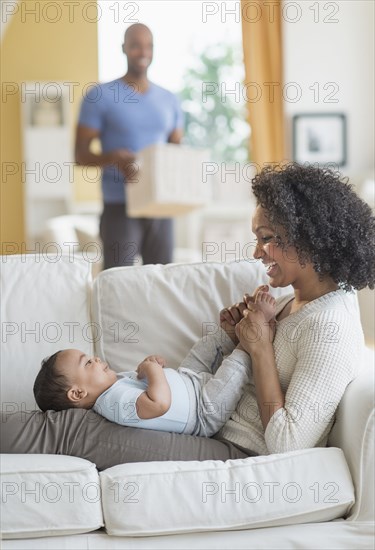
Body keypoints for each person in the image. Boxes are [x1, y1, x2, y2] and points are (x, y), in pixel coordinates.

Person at [2, 163, 374, 470]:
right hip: (204, 423)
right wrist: (236, 337)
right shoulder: (286, 299)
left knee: (73, 433)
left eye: (266, 238)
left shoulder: (331, 328)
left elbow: (287, 443)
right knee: (79, 418)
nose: (257, 252)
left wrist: (257, 348)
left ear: (307, 237)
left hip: (241, 451)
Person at [33, 288, 276, 438]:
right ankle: (252, 335)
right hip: (204, 410)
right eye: (87, 363)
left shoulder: (113, 385)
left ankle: (226, 335)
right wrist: (152, 369)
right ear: (78, 392)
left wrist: (153, 368)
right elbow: (158, 403)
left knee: (199, 354)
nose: (95, 359)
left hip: (189, 381)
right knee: (234, 367)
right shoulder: (112, 403)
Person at [75, 23, 183, 269]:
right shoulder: (99, 96)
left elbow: (176, 150)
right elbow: (80, 155)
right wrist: (112, 158)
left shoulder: (169, 100)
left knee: (163, 282)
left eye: (148, 46)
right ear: (123, 48)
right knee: (119, 281)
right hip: (119, 205)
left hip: (160, 203)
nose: (142, 52)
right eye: (135, 46)